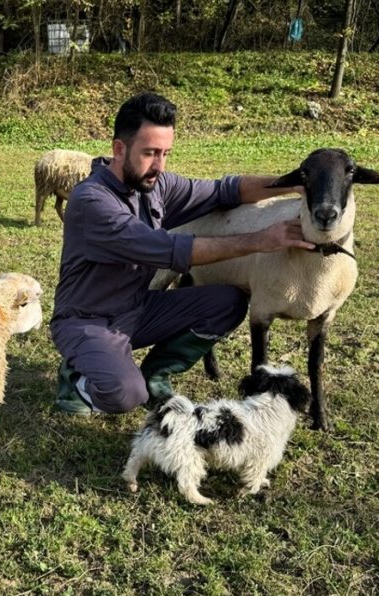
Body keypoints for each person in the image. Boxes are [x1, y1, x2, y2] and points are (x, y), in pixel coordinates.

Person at [50, 92, 314, 415]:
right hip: (88, 320)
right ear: (119, 149)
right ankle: (77, 375)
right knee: (125, 396)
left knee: (227, 303)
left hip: (138, 309)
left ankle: (155, 373)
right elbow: (171, 250)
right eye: (150, 153)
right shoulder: (93, 202)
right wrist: (260, 240)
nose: (159, 165)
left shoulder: (155, 185)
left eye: (165, 153)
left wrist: (294, 183)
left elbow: (224, 192)